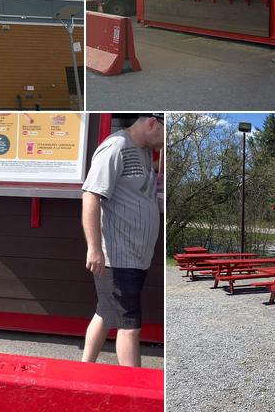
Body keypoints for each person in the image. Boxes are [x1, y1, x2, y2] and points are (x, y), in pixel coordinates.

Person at [81, 113, 164, 367]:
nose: (165, 143)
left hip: (136, 256)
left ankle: (83, 369)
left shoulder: (143, 152)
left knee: (105, 313)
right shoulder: (116, 147)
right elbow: (91, 195)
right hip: (118, 256)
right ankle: (135, 393)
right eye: (164, 134)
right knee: (130, 327)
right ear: (151, 123)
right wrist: (94, 248)